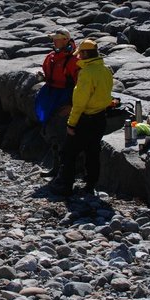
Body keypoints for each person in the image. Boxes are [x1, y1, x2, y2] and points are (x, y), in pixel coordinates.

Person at [49, 38, 113, 197]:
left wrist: (71, 124)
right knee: (93, 152)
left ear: (85, 53)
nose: (78, 57)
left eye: (80, 54)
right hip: (100, 118)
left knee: (68, 152)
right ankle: (90, 185)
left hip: (85, 119)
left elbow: (79, 103)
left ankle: (65, 186)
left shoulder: (86, 74)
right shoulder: (105, 70)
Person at [35, 28, 80, 177]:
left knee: (61, 133)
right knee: (49, 130)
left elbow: (79, 86)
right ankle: (57, 167)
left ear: (66, 40)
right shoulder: (51, 57)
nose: (54, 41)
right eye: (54, 39)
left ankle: (64, 170)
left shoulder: (74, 60)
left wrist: (72, 105)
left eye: (57, 38)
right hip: (51, 96)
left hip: (65, 97)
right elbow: (49, 75)